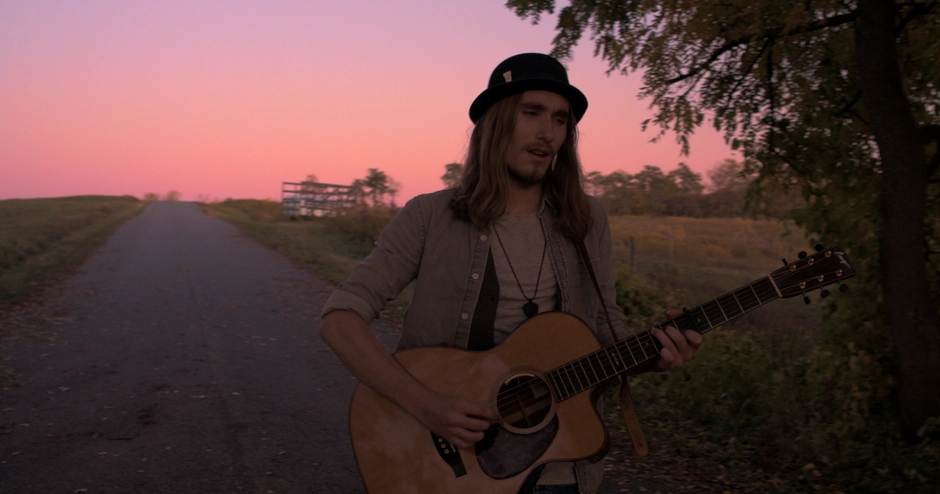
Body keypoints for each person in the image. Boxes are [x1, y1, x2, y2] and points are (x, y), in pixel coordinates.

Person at [318, 53, 702, 494]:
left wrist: (652, 357)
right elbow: (340, 320)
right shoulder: (429, 216)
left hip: (562, 470)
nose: (547, 132)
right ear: (497, 122)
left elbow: (603, 338)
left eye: (560, 120)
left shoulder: (586, 220)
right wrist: (428, 407)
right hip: (445, 471)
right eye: (532, 112)